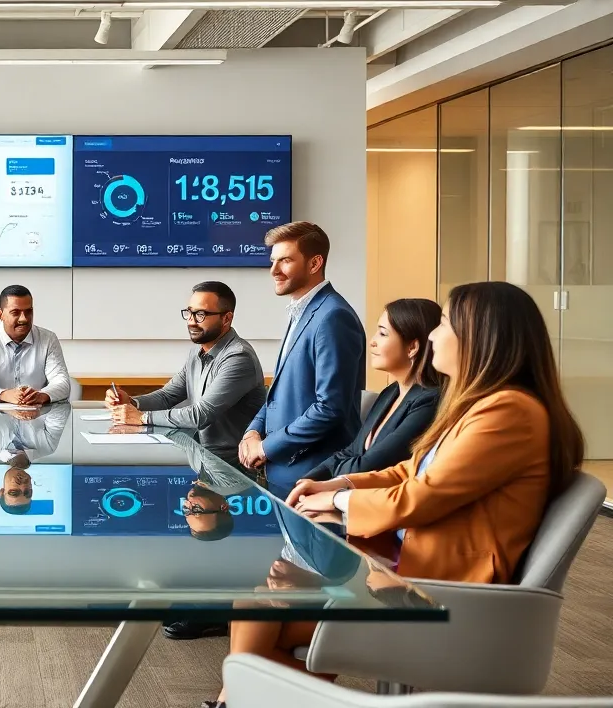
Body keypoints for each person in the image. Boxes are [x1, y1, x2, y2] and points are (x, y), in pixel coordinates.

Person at [208, 281, 586, 708]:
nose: (432, 336)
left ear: (481, 337)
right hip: (403, 566)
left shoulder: (508, 412)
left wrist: (335, 502)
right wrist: (341, 484)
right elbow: (412, 469)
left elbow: (422, 495)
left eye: (443, 323)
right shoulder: (481, 405)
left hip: (441, 591)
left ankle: (234, 701)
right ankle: (235, 700)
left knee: (261, 613)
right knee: (257, 606)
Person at [240, 222, 365, 498]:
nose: (273, 270)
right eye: (273, 260)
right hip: (285, 473)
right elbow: (278, 393)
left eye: (285, 260)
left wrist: (267, 447)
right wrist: (252, 432)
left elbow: (330, 408)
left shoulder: (333, 316)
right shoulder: (303, 311)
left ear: (314, 263)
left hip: (313, 477)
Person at [104, 281, 266, 465]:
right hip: (203, 458)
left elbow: (200, 415)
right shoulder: (197, 353)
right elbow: (167, 396)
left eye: (201, 314)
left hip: (235, 467)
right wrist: (132, 402)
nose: (191, 321)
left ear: (226, 319)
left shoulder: (238, 357)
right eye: (189, 312)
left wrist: (142, 417)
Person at [306, 298, 443, 481]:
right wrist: (308, 479)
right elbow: (351, 451)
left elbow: (369, 466)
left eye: (383, 334)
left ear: (412, 347)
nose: (372, 342)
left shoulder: (429, 401)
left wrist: (324, 480)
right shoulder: (390, 392)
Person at [0, 284, 71, 405]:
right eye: (15, 312)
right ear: (1, 315)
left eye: (28, 311)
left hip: (37, 419)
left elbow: (62, 383)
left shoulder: (48, 339)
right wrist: (4, 395)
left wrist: (41, 396)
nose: (24, 319)